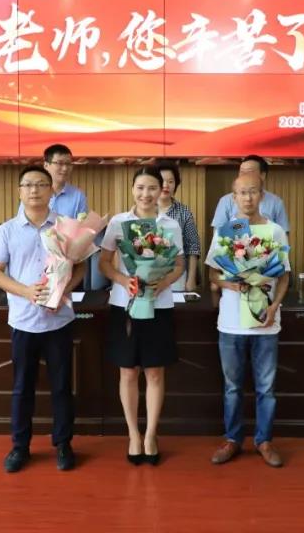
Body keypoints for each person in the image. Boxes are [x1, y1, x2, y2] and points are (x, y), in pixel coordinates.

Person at [0, 165, 87, 474]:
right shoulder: (7, 230)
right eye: (28, 185)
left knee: (61, 386)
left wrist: (62, 290)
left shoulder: (65, 227)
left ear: (51, 190)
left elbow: (81, 267)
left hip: (58, 320)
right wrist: (26, 292)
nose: (34, 190)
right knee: (22, 387)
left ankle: (63, 444)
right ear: (19, 191)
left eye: (41, 184)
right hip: (23, 320)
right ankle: (20, 446)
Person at [99, 167, 184, 466]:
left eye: (152, 188)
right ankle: (133, 434)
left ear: (161, 190)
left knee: (155, 372)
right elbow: (104, 263)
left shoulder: (170, 225)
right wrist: (124, 281)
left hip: (159, 305)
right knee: (128, 372)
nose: (145, 194)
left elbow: (179, 264)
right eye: (140, 187)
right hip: (125, 305)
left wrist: (164, 282)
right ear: (132, 189)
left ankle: (150, 435)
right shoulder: (118, 222)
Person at [206, 174, 290, 468]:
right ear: (234, 198)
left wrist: (275, 305)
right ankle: (232, 439)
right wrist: (229, 283)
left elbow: (284, 275)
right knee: (232, 387)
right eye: (242, 193)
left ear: (261, 195)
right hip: (231, 322)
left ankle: (264, 441)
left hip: (266, 321)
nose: (248, 198)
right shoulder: (227, 231)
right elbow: (213, 273)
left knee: (266, 388)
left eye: (253, 192)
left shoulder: (275, 231)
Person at [210, 155, 289, 234]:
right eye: (241, 172)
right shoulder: (226, 201)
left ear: (263, 175)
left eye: (249, 172)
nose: (248, 199)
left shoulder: (276, 202)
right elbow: (219, 233)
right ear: (234, 198)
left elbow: (283, 233)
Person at [156, 160, 201, 292]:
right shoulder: (144, 211)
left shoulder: (184, 212)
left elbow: (193, 247)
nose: (166, 185)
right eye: (162, 181)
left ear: (176, 185)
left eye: (170, 181)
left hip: (177, 277)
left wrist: (191, 280)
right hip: (150, 278)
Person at [41, 143, 89, 218]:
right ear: (46, 165)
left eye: (68, 163)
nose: (65, 168)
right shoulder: (34, 193)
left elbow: (82, 224)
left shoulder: (78, 196)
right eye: (59, 163)